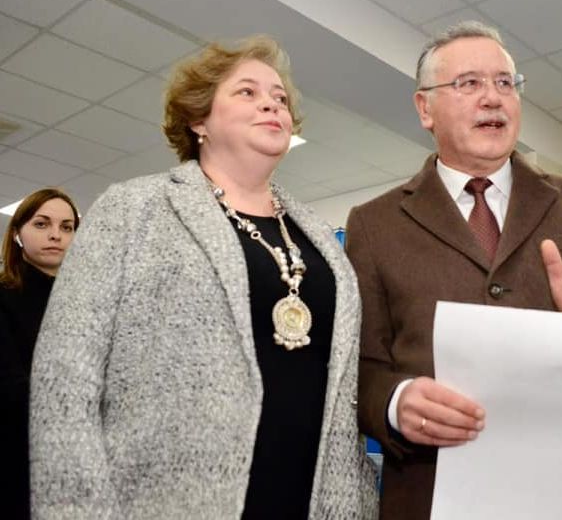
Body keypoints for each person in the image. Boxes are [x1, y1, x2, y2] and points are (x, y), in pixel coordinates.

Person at [29, 36, 378, 519]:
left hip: (312, 501)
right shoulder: (132, 209)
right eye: (247, 92)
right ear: (198, 120)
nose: (272, 105)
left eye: (279, 98)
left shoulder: (318, 237)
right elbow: (64, 380)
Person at [346, 21, 562, 520]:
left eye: (505, 82)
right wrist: (396, 402)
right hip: (432, 490)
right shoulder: (373, 225)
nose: (493, 98)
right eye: (469, 83)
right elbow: (358, 372)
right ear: (424, 108)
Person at [0, 188, 79, 520]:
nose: (55, 235)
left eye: (66, 227)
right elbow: (10, 388)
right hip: (18, 461)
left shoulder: (89, 305)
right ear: (17, 233)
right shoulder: (4, 297)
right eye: (42, 224)